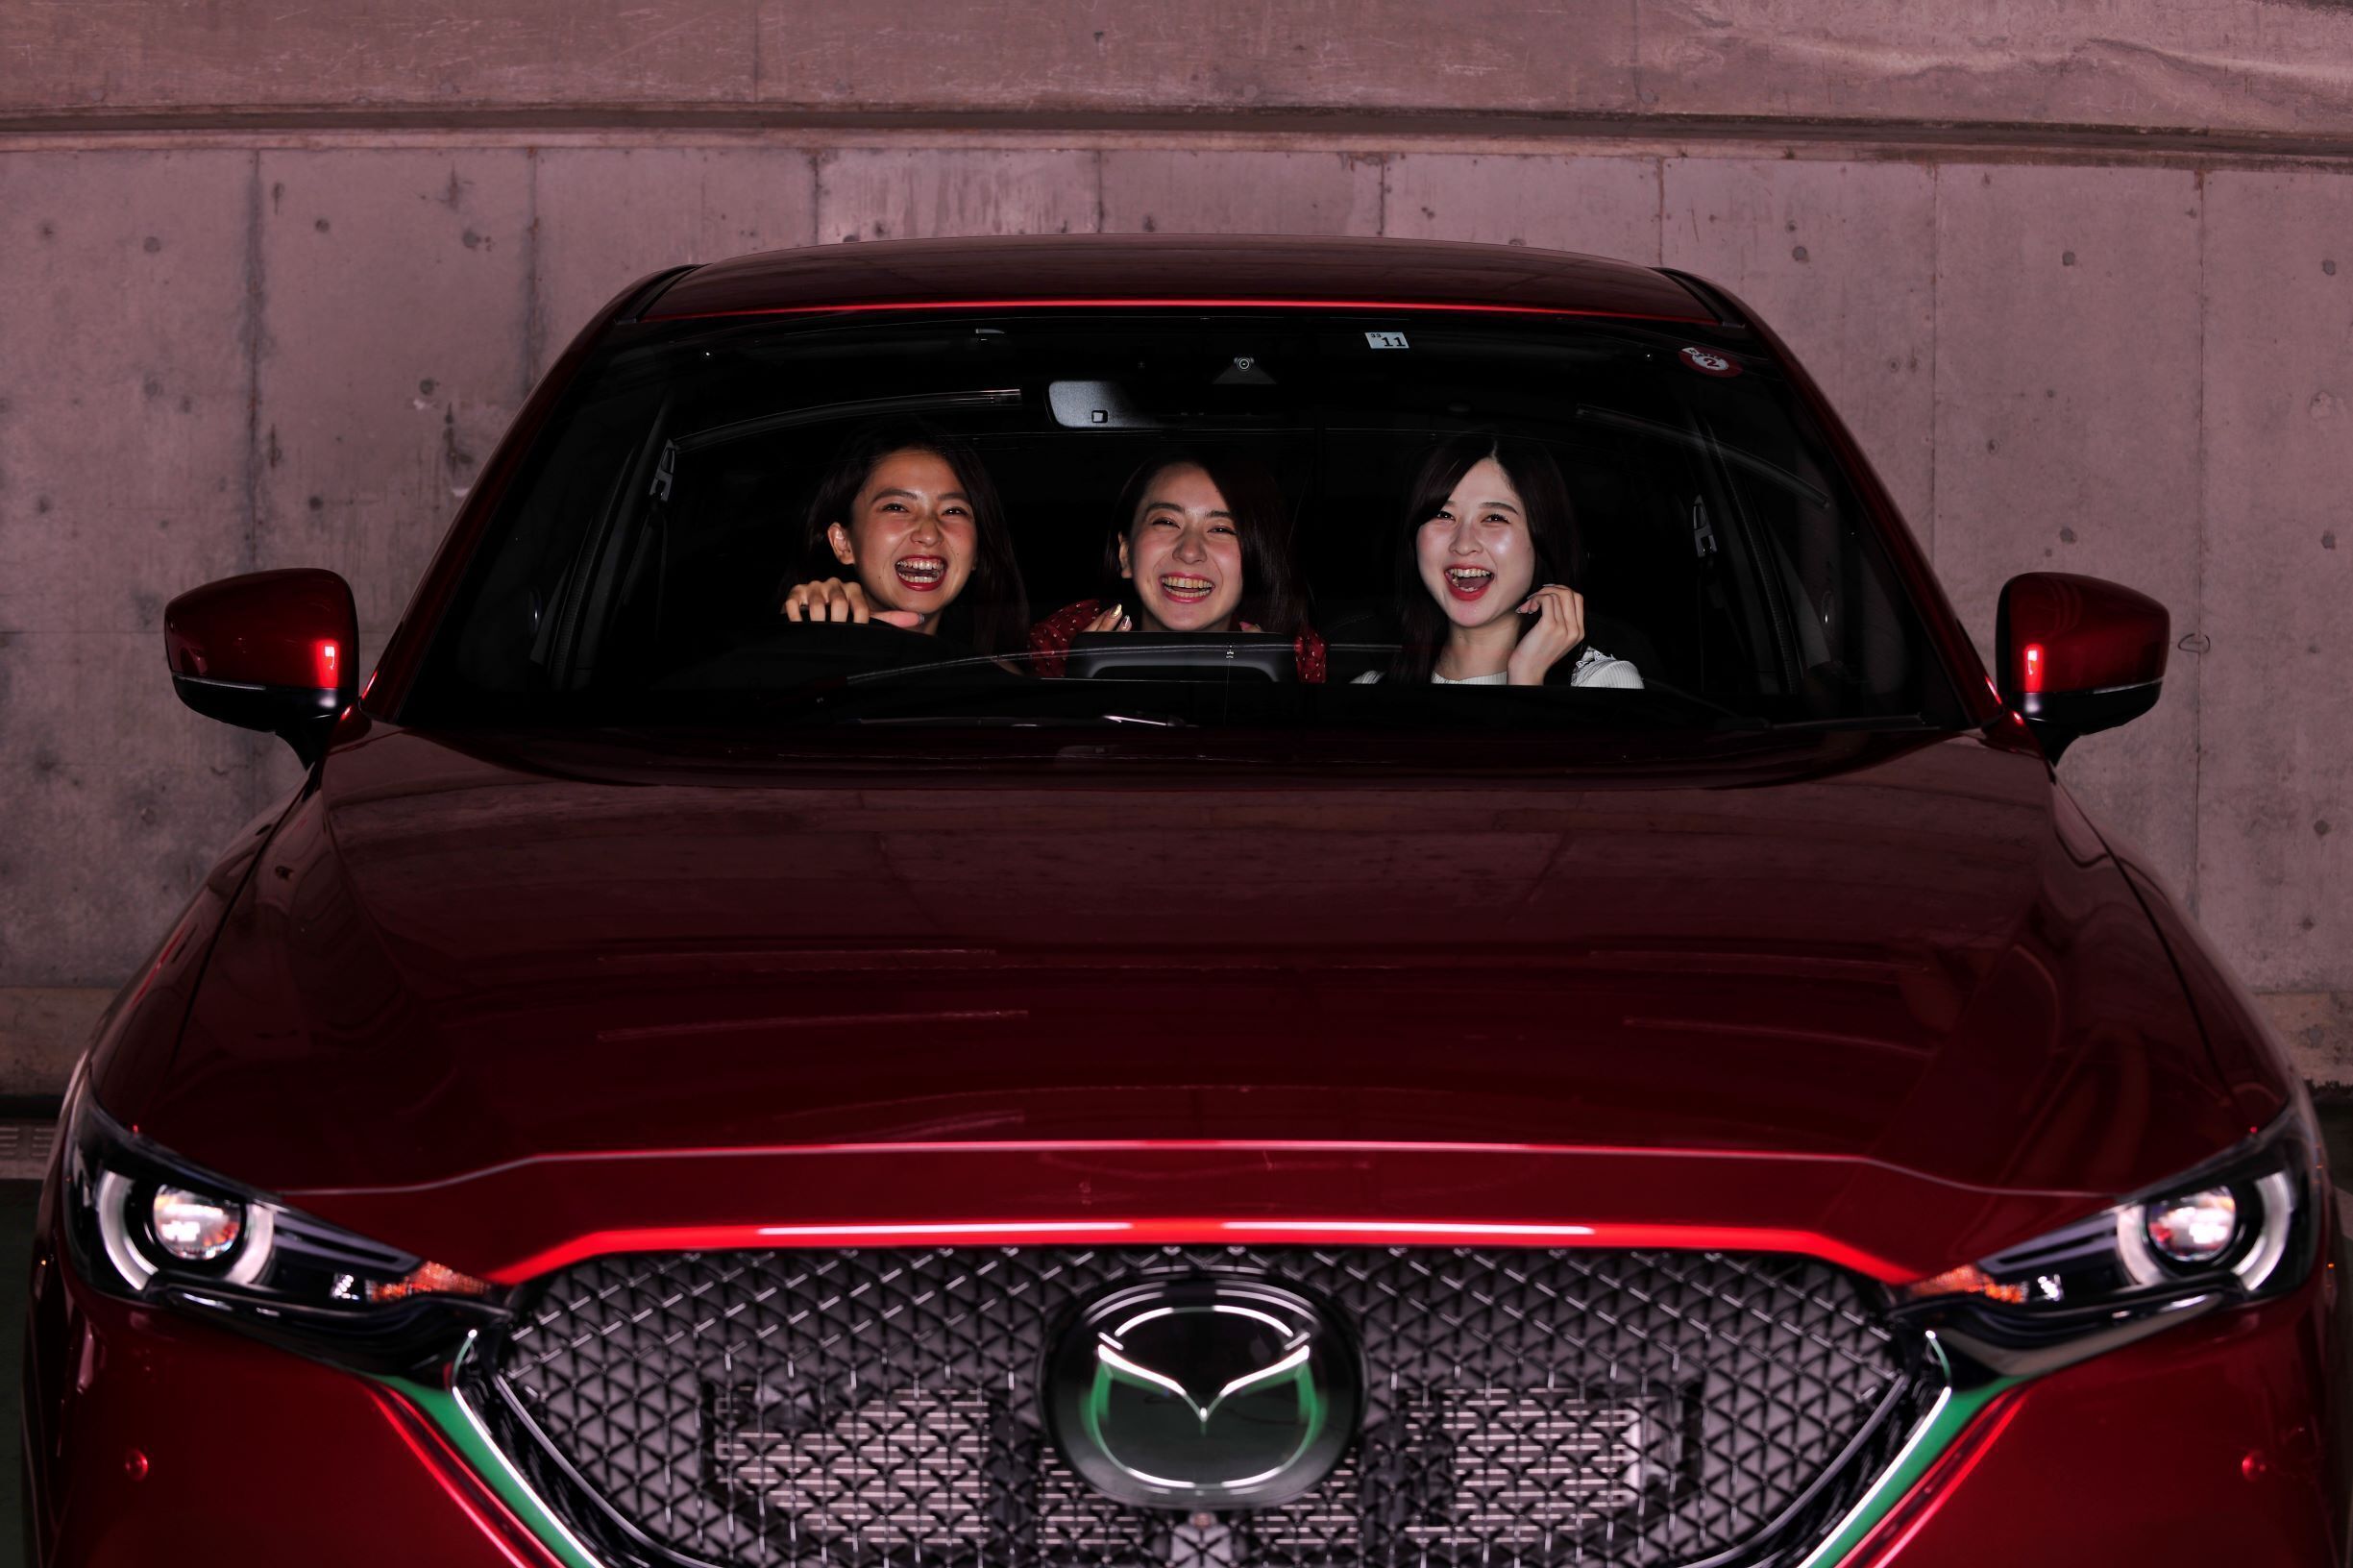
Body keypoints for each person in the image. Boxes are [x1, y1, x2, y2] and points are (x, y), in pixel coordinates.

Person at [1360, 434, 1642, 689]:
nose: (1464, 544)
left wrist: (1527, 678)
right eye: (1443, 515)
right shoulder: (1368, 690)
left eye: (1495, 518)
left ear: (1542, 538)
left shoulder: (1602, 684)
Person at [1028, 448, 1327, 681]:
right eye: (1167, 522)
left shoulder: (1295, 654)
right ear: (1125, 553)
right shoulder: (1062, 641)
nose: (1189, 551)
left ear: (1255, 558)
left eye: (1221, 529)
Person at [779, 420, 1028, 655]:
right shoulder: (810, 650)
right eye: (897, 507)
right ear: (843, 542)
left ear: (976, 552)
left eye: (953, 511)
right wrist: (797, 636)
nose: (929, 534)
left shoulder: (996, 678)